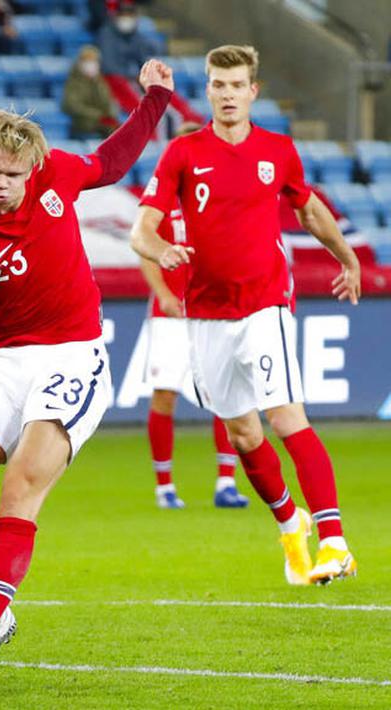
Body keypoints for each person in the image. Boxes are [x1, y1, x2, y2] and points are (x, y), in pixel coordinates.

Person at [0, 58, 173, 695]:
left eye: (13, 174)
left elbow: (110, 160)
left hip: (75, 354)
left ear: (31, 169)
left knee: (22, 483)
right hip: (9, 361)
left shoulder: (55, 178)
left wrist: (154, 100)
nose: (3, 183)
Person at [130, 45, 361, 586]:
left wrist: (347, 257)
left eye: (237, 85)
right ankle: (290, 527)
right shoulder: (183, 154)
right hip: (205, 316)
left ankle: (334, 541)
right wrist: (158, 250)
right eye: (218, 84)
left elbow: (307, 208)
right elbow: (142, 227)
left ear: (253, 91)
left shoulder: (278, 151)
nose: (228, 94)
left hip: (265, 306)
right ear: (208, 90)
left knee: (285, 418)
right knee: (242, 434)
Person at [137, 124, 246, 509]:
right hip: (171, 316)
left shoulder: (221, 199)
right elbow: (144, 249)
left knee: (225, 396)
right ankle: (164, 487)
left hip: (214, 311)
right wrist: (164, 294)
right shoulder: (161, 201)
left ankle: (226, 483)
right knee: (165, 396)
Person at [61, 45, 118, 139]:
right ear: (80, 63)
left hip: (102, 126)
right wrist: (98, 116)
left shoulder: (100, 82)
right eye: (87, 61)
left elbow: (108, 102)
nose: (91, 65)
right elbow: (71, 106)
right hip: (81, 126)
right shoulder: (73, 82)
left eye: (94, 61)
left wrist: (110, 114)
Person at [97, 4, 161, 80]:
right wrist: (132, 76)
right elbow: (109, 67)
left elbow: (143, 59)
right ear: (116, 17)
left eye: (129, 16)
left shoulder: (137, 36)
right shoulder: (106, 35)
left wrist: (143, 75)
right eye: (123, 16)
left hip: (135, 80)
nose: (126, 20)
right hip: (114, 80)